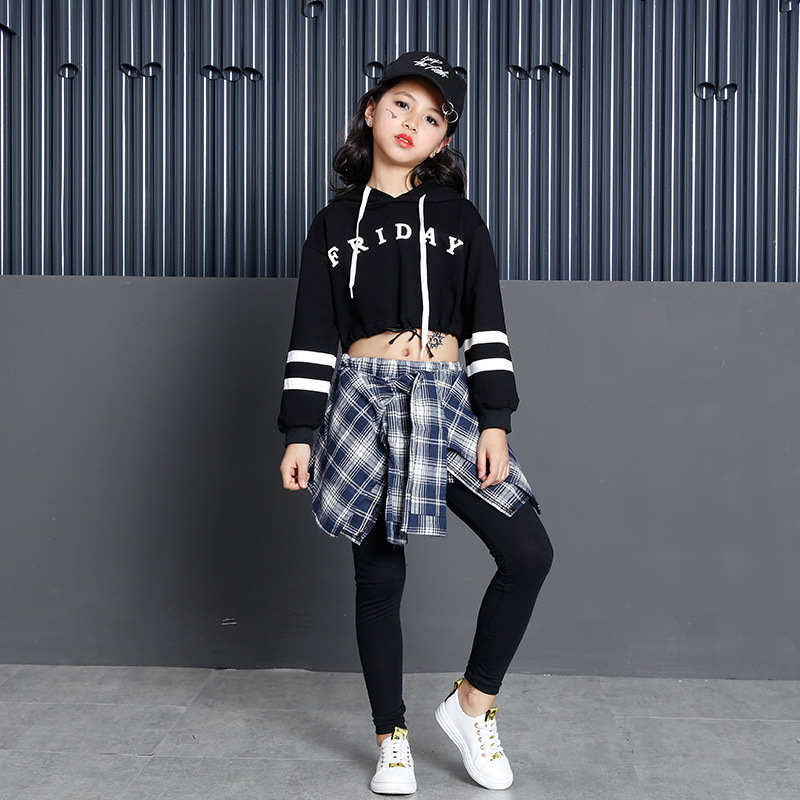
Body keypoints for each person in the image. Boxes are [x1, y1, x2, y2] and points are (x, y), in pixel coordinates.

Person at [278, 50, 554, 795]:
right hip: (364, 395)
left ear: (442, 141)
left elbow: (487, 324)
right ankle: (391, 738)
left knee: (527, 551)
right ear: (371, 111)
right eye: (401, 104)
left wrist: (495, 419)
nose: (412, 123)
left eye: (432, 117)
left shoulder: (460, 218)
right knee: (378, 574)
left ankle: (471, 705)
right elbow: (312, 333)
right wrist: (299, 430)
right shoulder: (334, 223)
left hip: (447, 396)